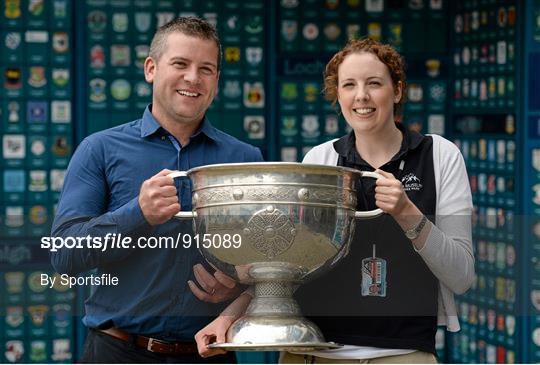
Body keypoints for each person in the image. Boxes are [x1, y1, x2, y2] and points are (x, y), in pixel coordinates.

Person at [194, 38, 474, 364]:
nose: (361, 96)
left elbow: (462, 276)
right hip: (314, 353)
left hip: (403, 354)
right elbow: (286, 265)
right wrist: (228, 319)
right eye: (349, 85)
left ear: (396, 91)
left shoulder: (438, 156)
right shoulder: (321, 160)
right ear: (337, 95)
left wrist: (407, 212)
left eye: (374, 84)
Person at [50, 17, 263, 363]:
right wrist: (138, 214)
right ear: (151, 68)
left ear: (216, 81)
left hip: (208, 352)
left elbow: (271, 258)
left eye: (205, 69)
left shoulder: (244, 159)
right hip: (117, 351)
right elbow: (64, 254)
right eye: (180, 64)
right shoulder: (99, 149)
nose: (193, 78)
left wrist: (240, 283)